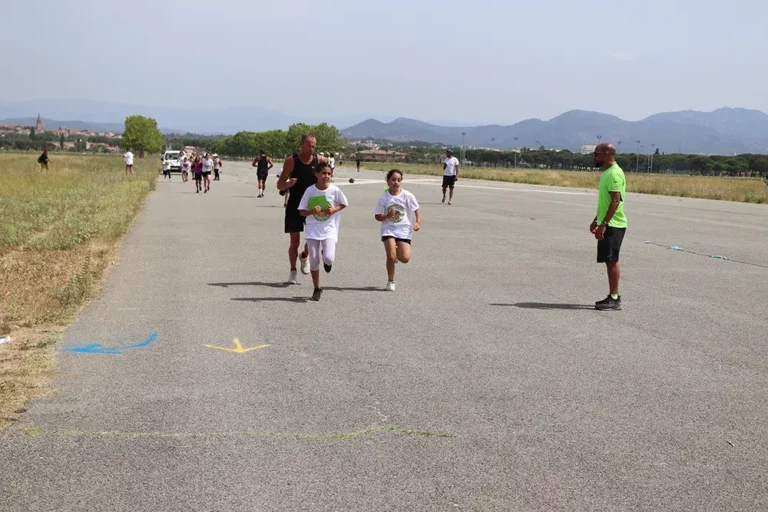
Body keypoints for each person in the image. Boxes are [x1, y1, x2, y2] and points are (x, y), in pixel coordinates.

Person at [277, 134, 327, 284]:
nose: (311, 149)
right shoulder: (291, 161)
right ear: (301, 145)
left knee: (312, 240)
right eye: (308, 145)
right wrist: (288, 184)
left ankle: (304, 255)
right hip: (294, 205)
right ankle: (293, 270)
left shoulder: (320, 161)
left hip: (313, 205)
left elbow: (327, 180)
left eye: (314, 146)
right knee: (294, 241)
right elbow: (280, 185)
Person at [298, 162, 348, 301]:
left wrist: (334, 210)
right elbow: (302, 211)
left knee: (328, 257)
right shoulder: (310, 191)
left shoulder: (335, 190)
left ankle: (327, 259)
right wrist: (311, 211)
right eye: (324, 173)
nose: (326, 176)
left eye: (329, 174)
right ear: (316, 174)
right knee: (314, 260)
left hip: (329, 229)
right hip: (313, 229)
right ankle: (317, 288)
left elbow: (344, 203)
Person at [589, 142, 627, 311]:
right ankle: (612, 296)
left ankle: (614, 298)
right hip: (608, 222)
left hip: (613, 224)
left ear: (606, 154)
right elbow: (606, 203)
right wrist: (596, 220)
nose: (594, 157)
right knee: (609, 260)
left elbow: (615, 201)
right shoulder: (608, 173)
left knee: (612, 260)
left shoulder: (613, 174)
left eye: (596, 154)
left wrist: (603, 224)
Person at [374, 169, 421, 292]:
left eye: (399, 180)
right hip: (388, 229)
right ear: (388, 181)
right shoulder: (383, 198)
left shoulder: (407, 195)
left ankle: (396, 253)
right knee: (390, 256)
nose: (396, 182)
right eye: (393, 180)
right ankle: (391, 281)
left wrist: (417, 222)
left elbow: (416, 208)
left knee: (405, 258)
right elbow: (377, 216)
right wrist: (387, 216)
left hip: (404, 229)